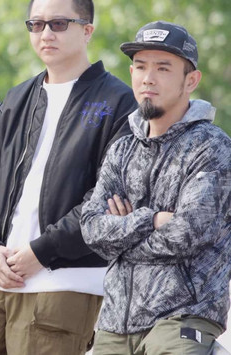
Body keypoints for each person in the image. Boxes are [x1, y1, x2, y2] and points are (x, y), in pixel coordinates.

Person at [0, 0, 137, 355]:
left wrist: (41, 252)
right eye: (36, 24)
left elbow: (107, 199)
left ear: (87, 30)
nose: (46, 33)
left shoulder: (119, 102)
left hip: (64, 282)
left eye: (59, 24)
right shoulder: (18, 98)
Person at [80, 21, 231, 354]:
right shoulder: (122, 150)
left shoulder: (212, 148)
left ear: (191, 81)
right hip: (115, 321)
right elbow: (91, 230)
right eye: (140, 67)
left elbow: (187, 234)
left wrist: (122, 235)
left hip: (184, 316)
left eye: (163, 68)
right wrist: (152, 220)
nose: (148, 78)